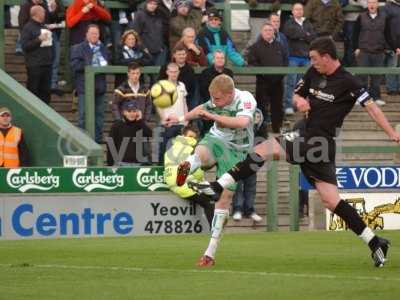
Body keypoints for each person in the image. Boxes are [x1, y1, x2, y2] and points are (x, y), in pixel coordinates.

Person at [189, 37, 400, 268]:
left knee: (264, 149)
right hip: (307, 135)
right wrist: (299, 101)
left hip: (319, 141)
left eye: (315, 58)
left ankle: (216, 187)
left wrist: (391, 133)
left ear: (327, 57)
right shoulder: (313, 73)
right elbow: (298, 94)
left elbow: (371, 108)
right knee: (331, 200)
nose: (312, 62)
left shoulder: (348, 81)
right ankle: (375, 241)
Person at [165, 74, 257, 267]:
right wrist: (180, 119)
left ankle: (210, 252)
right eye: (212, 98)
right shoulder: (215, 100)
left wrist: (213, 116)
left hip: (237, 151)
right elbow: (201, 109)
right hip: (217, 139)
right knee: (202, 151)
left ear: (230, 93)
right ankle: (187, 165)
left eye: (217, 99)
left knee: (224, 200)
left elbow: (241, 122)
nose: (214, 102)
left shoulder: (246, 99)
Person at [164, 125, 215, 226]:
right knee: (209, 202)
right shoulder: (192, 149)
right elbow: (196, 172)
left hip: (173, 182)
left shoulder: (171, 148)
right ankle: (215, 231)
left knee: (209, 196)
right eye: (190, 137)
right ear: (183, 135)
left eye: (193, 137)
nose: (191, 139)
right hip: (184, 182)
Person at [70, 24, 109, 143]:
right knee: (83, 116)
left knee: (99, 116)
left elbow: (107, 63)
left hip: (100, 87)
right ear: (86, 34)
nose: (94, 36)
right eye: (92, 33)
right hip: (85, 87)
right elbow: (74, 66)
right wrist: (90, 64)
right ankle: (82, 141)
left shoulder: (103, 48)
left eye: (96, 33)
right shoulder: (78, 48)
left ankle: (97, 140)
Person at [248, 22, 288, 134]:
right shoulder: (255, 47)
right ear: (261, 32)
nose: (268, 32)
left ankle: (277, 129)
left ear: (274, 32)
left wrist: (280, 75)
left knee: (277, 107)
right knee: (261, 107)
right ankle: (261, 130)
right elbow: (252, 62)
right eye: (265, 30)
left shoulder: (280, 46)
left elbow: (286, 61)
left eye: (270, 30)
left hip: (278, 82)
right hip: (262, 82)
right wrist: (263, 73)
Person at [283, 3, 316, 116]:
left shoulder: (308, 23)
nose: (299, 11)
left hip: (306, 58)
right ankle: (288, 105)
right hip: (293, 57)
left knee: (303, 84)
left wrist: (302, 35)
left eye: (301, 9)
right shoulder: (288, 23)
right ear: (292, 11)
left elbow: (312, 37)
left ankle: (299, 105)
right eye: (296, 9)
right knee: (290, 83)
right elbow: (291, 33)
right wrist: (304, 35)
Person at [232, 108, 264, 222]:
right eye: (254, 116)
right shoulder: (240, 128)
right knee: (238, 186)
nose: (256, 119)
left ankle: (250, 209)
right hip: (238, 161)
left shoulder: (261, 131)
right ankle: (237, 209)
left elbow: (263, 147)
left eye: (258, 117)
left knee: (251, 186)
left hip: (252, 162)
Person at [353, 0, 387, 106]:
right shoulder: (361, 16)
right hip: (364, 50)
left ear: (377, 4)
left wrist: (386, 47)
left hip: (379, 51)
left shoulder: (384, 17)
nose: (372, 5)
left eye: (374, 2)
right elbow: (355, 33)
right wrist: (356, 47)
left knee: (376, 77)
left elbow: (388, 33)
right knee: (362, 76)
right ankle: (361, 98)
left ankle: (376, 98)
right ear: (367, 5)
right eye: (370, 3)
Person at [157, 62, 189, 163]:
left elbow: (184, 103)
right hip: (168, 124)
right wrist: (163, 119)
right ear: (167, 72)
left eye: (175, 72)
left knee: (182, 152)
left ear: (178, 72)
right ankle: (161, 172)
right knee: (164, 150)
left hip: (180, 123)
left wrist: (186, 118)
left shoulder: (182, 85)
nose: (174, 74)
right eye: (171, 72)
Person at [21, 5, 53, 105]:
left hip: (47, 64)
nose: (45, 14)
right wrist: (38, 39)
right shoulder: (28, 27)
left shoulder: (44, 27)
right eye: (43, 12)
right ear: (37, 14)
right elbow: (25, 46)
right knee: (34, 91)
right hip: (35, 65)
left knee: (46, 92)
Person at [198, 50, 234, 135]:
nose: (220, 60)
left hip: (225, 106)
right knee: (208, 131)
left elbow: (231, 89)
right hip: (210, 105)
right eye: (217, 58)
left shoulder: (229, 73)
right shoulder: (205, 73)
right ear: (213, 59)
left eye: (222, 58)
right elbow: (203, 91)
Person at [106, 101, 152, 166]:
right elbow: (111, 145)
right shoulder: (116, 126)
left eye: (134, 111)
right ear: (124, 112)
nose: (132, 114)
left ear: (138, 112)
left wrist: (140, 121)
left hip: (138, 164)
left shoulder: (140, 124)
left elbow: (149, 134)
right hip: (121, 163)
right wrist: (110, 164)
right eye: (129, 111)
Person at [129, 0, 167, 67]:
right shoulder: (140, 15)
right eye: (150, 3)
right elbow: (135, 33)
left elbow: (162, 32)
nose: (153, 6)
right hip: (145, 51)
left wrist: (161, 46)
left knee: (158, 73)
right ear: (146, 3)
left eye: (155, 4)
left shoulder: (159, 15)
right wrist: (143, 48)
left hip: (159, 50)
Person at [158, 45, 196, 109]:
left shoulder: (190, 70)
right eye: (179, 54)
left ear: (186, 55)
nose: (181, 56)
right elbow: (160, 83)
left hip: (185, 100)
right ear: (174, 55)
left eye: (183, 54)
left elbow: (192, 89)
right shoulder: (166, 67)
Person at [384, 0, 400, 95]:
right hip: (392, 44)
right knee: (392, 66)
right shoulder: (388, 7)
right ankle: (392, 89)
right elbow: (386, 28)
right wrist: (394, 46)